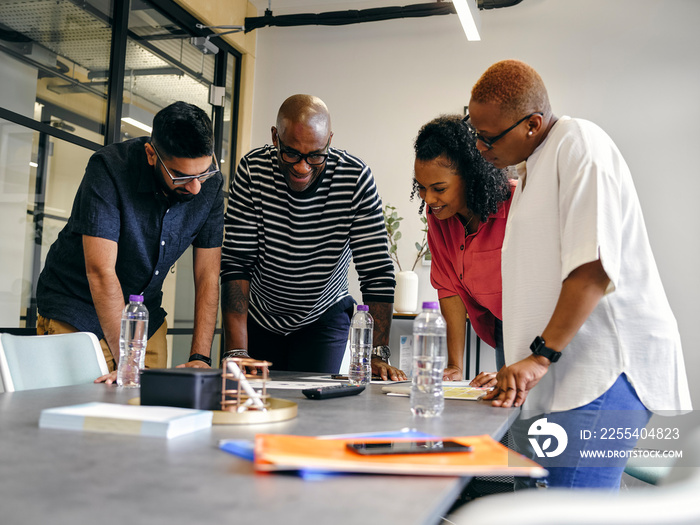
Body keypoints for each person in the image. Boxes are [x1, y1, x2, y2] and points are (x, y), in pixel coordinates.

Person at [467, 59, 692, 489]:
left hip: (604, 370)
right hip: (568, 369)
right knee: (551, 505)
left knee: (569, 510)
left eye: (488, 136)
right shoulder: (534, 166)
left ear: (532, 124)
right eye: (474, 131)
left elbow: (592, 269)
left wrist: (538, 357)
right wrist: (522, 359)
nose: (479, 146)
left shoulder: (579, 145)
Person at [221, 94, 405, 380]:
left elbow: (377, 273)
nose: (302, 167)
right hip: (259, 315)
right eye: (291, 153)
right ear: (275, 137)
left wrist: (377, 354)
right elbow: (236, 265)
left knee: (312, 406)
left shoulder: (355, 178)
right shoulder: (252, 171)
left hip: (323, 315)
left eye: (315, 155)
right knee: (248, 400)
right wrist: (236, 351)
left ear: (329, 140)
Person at [36, 101, 223, 383]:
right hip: (77, 313)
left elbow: (208, 274)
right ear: (151, 154)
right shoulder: (110, 168)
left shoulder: (211, 184)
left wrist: (200, 357)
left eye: (203, 173)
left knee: (151, 413)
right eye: (182, 176)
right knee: (82, 414)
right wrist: (127, 364)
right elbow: (100, 271)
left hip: (145, 320)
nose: (196, 187)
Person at [411, 115, 513, 384]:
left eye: (439, 188)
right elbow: (449, 289)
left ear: (469, 175)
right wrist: (455, 366)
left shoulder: (516, 204)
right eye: (422, 188)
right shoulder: (439, 218)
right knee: (511, 411)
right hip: (501, 326)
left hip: (537, 326)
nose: (429, 199)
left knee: (532, 414)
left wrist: (520, 365)